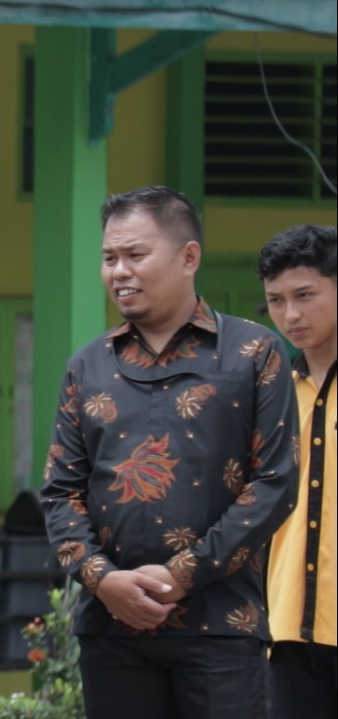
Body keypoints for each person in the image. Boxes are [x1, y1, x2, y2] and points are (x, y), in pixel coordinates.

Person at [40, 186, 299, 719]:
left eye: (135, 255)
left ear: (189, 257)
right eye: (109, 258)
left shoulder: (254, 352)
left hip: (221, 625)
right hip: (111, 629)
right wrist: (104, 580)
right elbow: (60, 492)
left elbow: (274, 484)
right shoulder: (87, 366)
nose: (119, 272)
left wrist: (180, 574)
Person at [257, 225, 336, 719]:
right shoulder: (274, 394)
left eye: (305, 295)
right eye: (276, 300)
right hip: (288, 632)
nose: (291, 315)